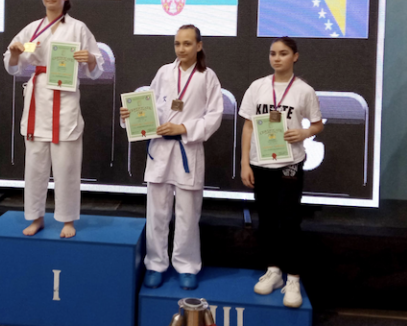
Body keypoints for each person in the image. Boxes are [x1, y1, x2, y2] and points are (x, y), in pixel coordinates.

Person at [120, 25, 223, 291]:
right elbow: (150, 107)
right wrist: (131, 116)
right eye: (177, 43)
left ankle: (186, 266)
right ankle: (155, 263)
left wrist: (184, 128)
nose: (181, 49)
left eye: (187, 43)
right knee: (157, 212)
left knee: (187, 214)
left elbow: (214, 117)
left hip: (188, 150)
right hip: (160, 150)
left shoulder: (207, 77)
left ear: (199, 45)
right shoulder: (164, 72)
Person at [4, 0, 104, 239]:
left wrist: (90, 59)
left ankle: (67, 219)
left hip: (65, 100)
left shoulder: (78, 28)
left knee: (67, 165)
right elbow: (13, 64)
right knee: (35, 165)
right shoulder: (32, 29)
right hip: (38, 99)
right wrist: (14, 53)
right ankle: (36, 217)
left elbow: (97, 68)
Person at [239, 37, 323, 308]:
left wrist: (305, 132)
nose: (277, 58)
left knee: (289, 221)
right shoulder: (257, 87)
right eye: (273, 53)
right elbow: (248, 126)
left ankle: (293, 278)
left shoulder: (304, 90)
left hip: (290, 163)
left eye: (283, 53)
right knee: (266, 220)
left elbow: (318, 124)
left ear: (295, 56)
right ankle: (273, 271)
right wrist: (244, 163)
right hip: (260, 163)